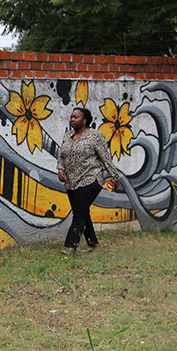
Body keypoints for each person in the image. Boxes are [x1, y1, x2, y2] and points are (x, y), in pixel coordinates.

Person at [57, 107, 121, 255]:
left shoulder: (95, 136)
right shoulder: (67, 136)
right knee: (83, 211)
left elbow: (105, 157)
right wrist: (60, 170)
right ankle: (93, 244)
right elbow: (61, 157)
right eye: (71, 116)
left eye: (76, 117)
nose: (72, 119)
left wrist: (115, 176)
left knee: (79, 213)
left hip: (91, 179)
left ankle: (71, 246)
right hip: (71, 182)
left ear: (85, 120)